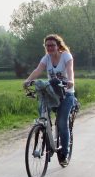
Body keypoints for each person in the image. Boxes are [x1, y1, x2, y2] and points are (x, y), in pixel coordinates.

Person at [22, 34, 76, 166]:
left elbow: (70, 70)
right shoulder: (46, 58)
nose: (50, 48)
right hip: (52, 93)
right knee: (43, 115)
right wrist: (28, 80)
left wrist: (70, 81)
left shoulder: (66, 56)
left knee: (62, 123)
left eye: (52, 45)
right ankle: (45, 133)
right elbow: (38, 70)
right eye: (47, 46)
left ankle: (64, 153)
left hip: (66, 94)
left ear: (58, 46)